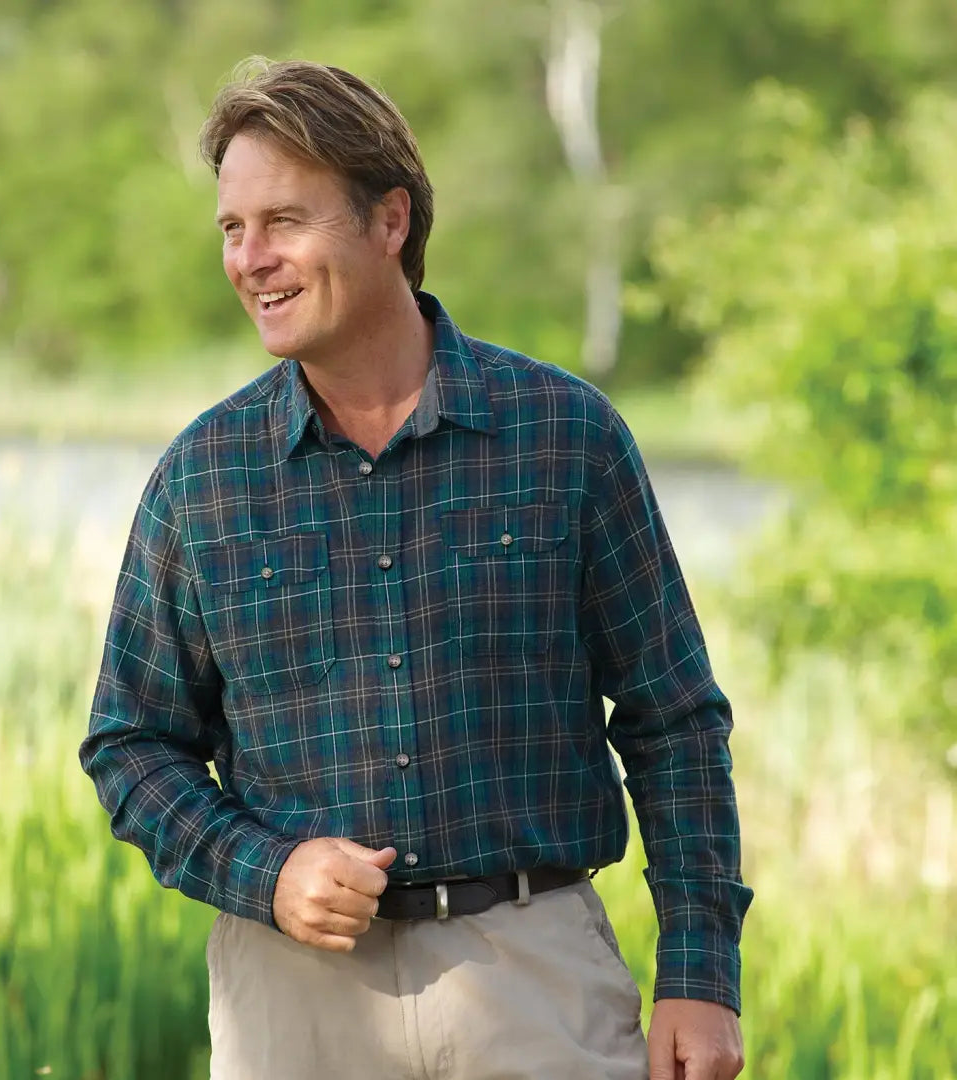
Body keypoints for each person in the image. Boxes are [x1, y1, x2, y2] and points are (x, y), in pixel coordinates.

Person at [79, 57, 752, 1080]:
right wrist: (267, 871)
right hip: (293, 998)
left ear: (390, 222)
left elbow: (673, 720)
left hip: (535, 976)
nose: (249, 258)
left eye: (283, 222)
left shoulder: (565, 438)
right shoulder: (201, 481)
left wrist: (699, 977)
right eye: (231, 228)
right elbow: (131, 746)